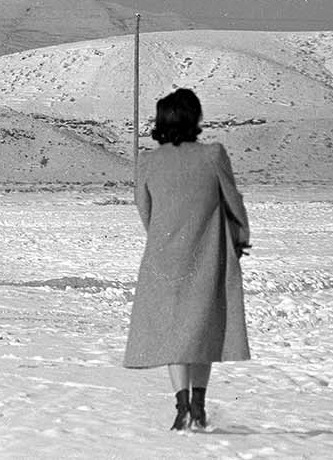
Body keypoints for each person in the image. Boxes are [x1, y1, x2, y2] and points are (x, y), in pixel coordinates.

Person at [124, 88, 252, 432]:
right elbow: (233, 200)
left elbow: (145, 209)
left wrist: (163, 236)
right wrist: (241, 237)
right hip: (207, 255)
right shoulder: (213, 155)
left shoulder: (148, 162)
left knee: (173, 332)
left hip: (162, 257)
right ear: (194, 118)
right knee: (202, 329)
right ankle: (198, 405)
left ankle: (181, 404)